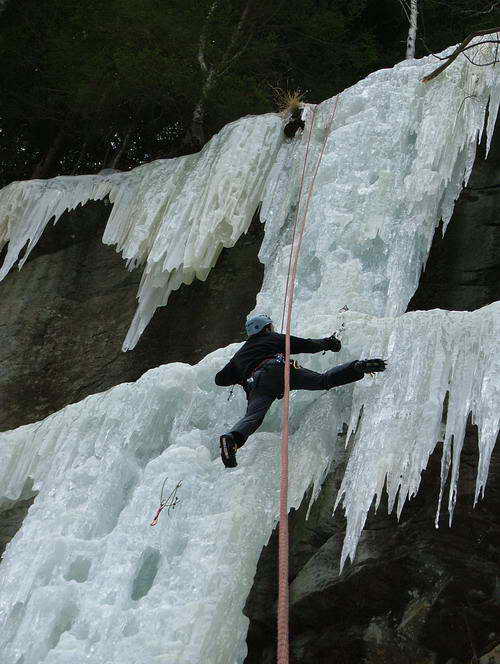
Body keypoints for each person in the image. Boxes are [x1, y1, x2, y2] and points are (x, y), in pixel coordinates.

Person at [215, 314, 386, 468]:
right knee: (323, 380)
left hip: (257, 385)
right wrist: (329, 343)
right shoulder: (269, 338)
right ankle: (356, 367)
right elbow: (305, 345)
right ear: (265, 328)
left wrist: (239, 372)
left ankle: (231, 439)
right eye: (271, 327)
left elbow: (220, 379)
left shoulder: (239, 355)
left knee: (253, 418)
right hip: (277, 369)